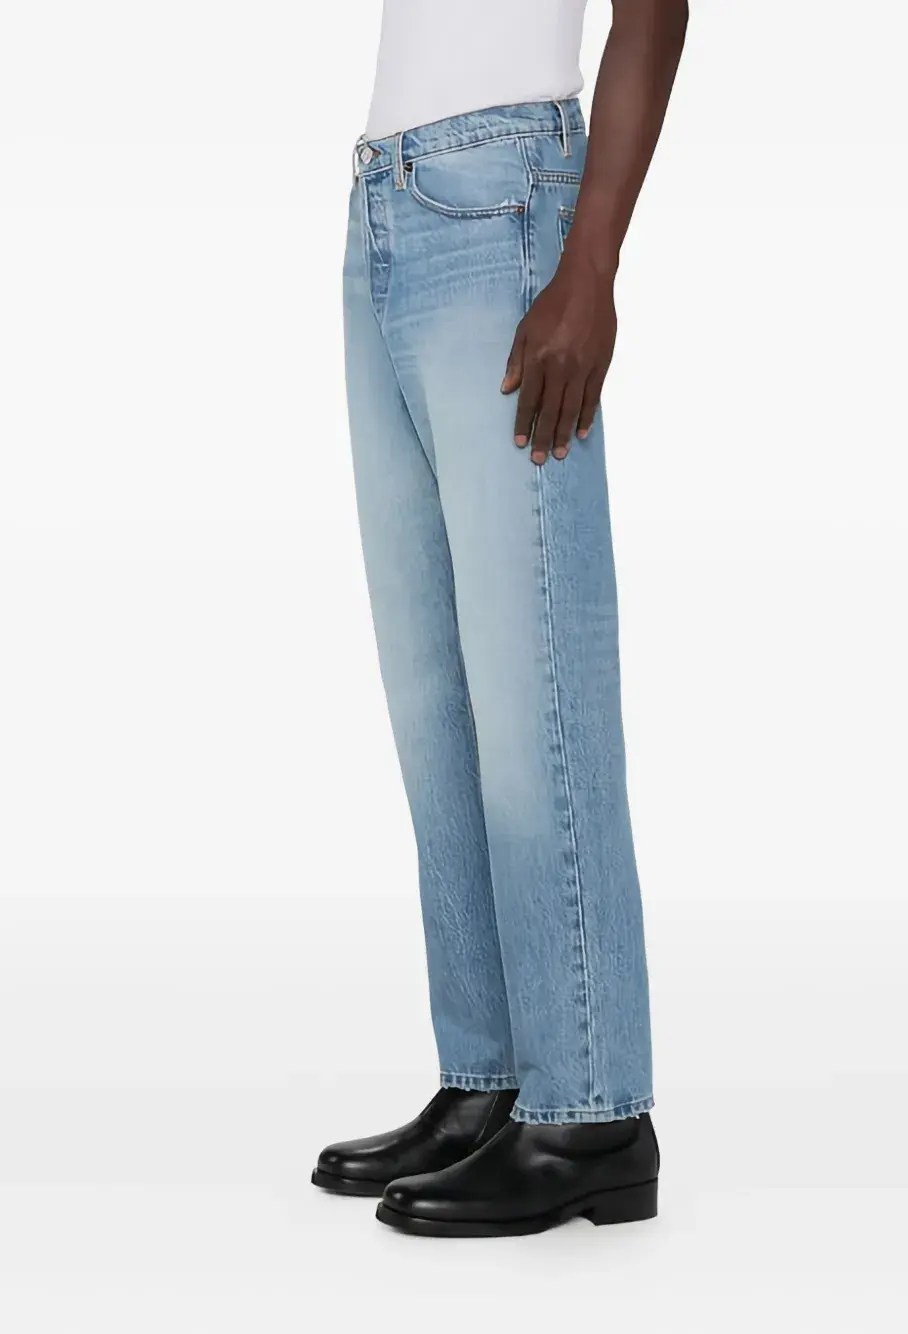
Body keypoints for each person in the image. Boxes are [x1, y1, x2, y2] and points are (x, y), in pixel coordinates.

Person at [312, 0, 688, 1237]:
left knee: (537, 692)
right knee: (435, 699)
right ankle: (489, 1077)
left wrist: (591, 266)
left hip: (507, 202)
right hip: (384, 201)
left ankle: (590, 1109)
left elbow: (655, 9)